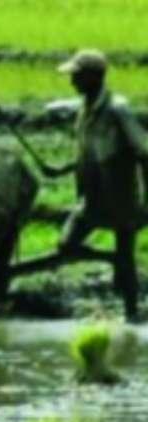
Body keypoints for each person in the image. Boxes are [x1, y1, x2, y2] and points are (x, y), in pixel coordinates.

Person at [40, 49, 148, 321]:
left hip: (121, 194)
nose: (72, 81)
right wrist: (62, 168)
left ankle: (132, 318)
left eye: (76, 76)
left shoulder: (117, 110)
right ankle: (112, 261)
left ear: (93, 78)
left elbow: (144, 152)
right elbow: (87, 152)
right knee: (66, 246)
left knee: (127, 260)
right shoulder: (85, 108)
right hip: (90, 195)